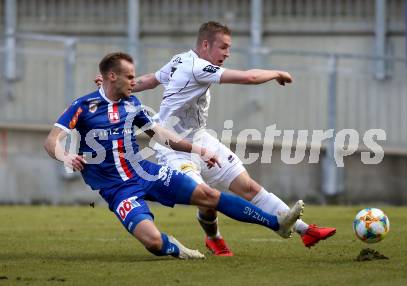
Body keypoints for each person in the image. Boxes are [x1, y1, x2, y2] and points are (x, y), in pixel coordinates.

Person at [96, 22, 336, 256]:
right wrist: (276, 73)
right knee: (206, 199)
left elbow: (150, 80)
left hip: (201, 139)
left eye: (228, 48)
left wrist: (116, 84)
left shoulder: (181, 59)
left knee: (248, 187)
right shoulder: (197, 67)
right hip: (173, 148)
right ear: (205, 44)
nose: (227, 53)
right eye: (223, 47)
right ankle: (214, 238)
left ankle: (306, 230)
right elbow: (249, 78)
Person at [45, 52, 305, 260]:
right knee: (153, 242)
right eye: (129, 77)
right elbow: (51, 142)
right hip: (117, 188)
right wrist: (66, 157)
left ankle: (277, 224)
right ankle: (175, 249)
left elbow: (162, 135)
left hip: (146, 172)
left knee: (209, 196)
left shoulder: (133, 105)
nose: (134, 82)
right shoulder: (83, 106)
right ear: (112, 76)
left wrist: (198, 149)